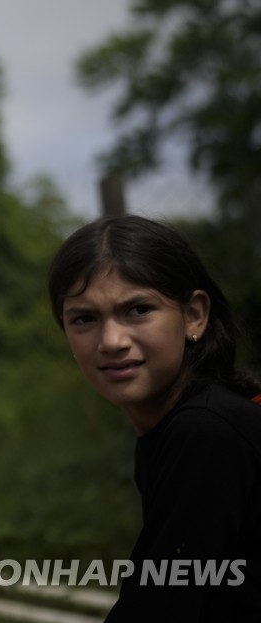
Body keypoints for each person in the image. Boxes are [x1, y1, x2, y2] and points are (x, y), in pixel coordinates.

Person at [47, 214, 261, 620]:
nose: (112, 341)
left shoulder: (208, 430)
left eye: (139, 309)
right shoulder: (182, 422)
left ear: (195, 316)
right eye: (84, 319)